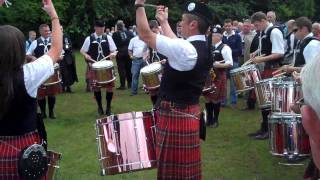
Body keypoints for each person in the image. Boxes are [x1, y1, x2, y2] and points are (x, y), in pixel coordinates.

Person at [135, 0, 213, 179]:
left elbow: (145, 35)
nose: (180, 25)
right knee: (184, 173)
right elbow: (176, 43)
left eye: (182, 22)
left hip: (175, 115)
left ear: (192, 25)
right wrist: (163, 21)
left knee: (173, 174)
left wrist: (138, 6)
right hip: (188, 112)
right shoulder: (203, 47)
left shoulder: (187, 50)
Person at [0, 0, 62, 178]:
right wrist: (53, 15)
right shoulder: (29, 75)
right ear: (21, 50)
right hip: (25, 151)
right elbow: (56, 49)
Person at [249, 12, 285, 140]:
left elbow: (279, 53)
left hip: (273, 69)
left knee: (269, 101)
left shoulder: (274, 32)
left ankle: (269, 131)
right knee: (264, 101)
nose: (256, 28)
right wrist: (256, 52)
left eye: (257, 25)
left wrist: (260, 60)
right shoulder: (264, 32)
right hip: (267, 68)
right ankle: (264, 128)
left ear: (264, 20)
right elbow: (265, 49)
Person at [80, 19, 117, 116]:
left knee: (110, 88)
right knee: (96, 88)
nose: (102, 30)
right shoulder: (89, 38)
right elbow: (82, 51)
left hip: (107, 67)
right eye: (100, 28)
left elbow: (114, 50)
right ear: (95, 28)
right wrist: (86, 56)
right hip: (94, 67)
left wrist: (113, 54)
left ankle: (108, 108)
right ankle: (100, 108)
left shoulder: (108, 38)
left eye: (103, 28)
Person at [26, 23, 60, 119]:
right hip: (39, 70)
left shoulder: (53, 42)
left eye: (49, 30)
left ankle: (51, 112)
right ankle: (43, 113)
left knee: (52, 93)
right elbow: (27, 54)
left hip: (51, 69)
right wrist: (32, 57)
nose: (48, 32)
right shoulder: (35, 42)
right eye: (46, 31)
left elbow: (61, 53)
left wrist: (59, 57)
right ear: (40, 32)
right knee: (41, 94)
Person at [204, 26, 233, 128]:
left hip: (219, 75)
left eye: (215, 35)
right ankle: (209, 119)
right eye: (212, 35)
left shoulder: (225, 48)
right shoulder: (208, 47)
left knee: (215, 99)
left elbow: (230, 64)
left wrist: (218, 65)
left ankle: (215, 120)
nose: (212, 37)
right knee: (207, 98)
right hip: (208, 76)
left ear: (220, 37)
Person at [222, 18, 242, 108]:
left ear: (232, 26)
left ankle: (233, 102)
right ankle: (223, 102)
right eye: (226, 26)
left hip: (234, 62)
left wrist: (228, 50)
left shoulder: (237, 36)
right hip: (223, 63)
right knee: (223, 82)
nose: (227, 27)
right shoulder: (222, 37)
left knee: (233, 84)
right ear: (224, 27)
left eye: (229, 25)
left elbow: (239, 51)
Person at [112, 20, 134, 90]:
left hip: (120, 53)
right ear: (123, 25)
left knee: (121, 69)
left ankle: (123, 85)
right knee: (129, 68)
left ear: (117, 27)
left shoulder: (115, 34)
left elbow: (113, 44)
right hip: (128, 52)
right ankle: (130, 84)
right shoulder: (130, 33)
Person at [60, 26, 78, 93]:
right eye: (59, 29)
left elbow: (68, 45)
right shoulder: (54, 36)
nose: (60, 30)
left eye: (61, 29)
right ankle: (62, 87)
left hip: (67, 57)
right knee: (61, 72)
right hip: (59, 57)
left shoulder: (65, 36)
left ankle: (68, 87)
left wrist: (64, 48)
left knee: (68, 72)